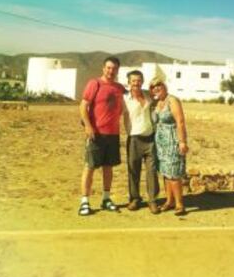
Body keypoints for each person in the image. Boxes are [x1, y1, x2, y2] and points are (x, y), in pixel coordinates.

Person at [78, 56, 125, 216]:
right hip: (96, 134)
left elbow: (122, 108)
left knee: (108, 167)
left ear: (118, 70)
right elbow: (83, 106)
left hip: (112, 134)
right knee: (90, 167)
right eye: (108, 68)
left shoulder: (119, 88)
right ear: (103, 68)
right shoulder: (95, 83)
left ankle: (106, 198)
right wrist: (88, 126)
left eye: (114, 68)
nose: (111, 71)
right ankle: (84, 201)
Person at [149, 77, 189, 216]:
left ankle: (179, 204)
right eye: (153, 87)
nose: (156, 88)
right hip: (160, 143)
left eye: (159, 85)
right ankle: (169, 201)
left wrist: (182, 141)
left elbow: (180, 122)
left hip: (172, 141)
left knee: (173, 173)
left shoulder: (172, 100)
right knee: (165, 173)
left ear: (164, 86)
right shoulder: (157, 102)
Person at [123, 70, 160, 214]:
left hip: (150, 138)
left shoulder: (149, 96)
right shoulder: (124, 99)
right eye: (133, 81)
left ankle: (152, 201)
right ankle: (135, 199)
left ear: (142, 82)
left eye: (139, 80)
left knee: (151, 171)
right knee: (133, 171)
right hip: (134, 139)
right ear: (128, 83)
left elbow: (161, 97)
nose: (136, 83)